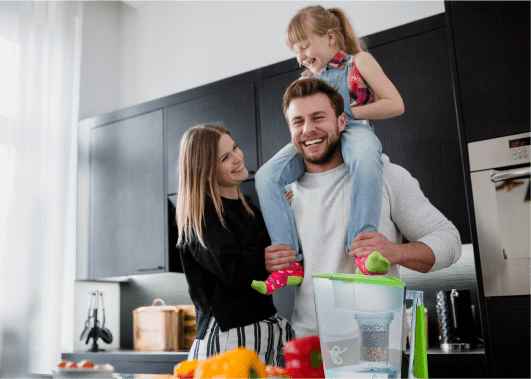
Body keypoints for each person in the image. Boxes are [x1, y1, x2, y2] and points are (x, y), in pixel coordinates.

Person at [264, 76, 461, 338]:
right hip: (308, 347)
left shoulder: (386, 176)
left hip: (375, 348)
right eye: (298, 122)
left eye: (318, 117)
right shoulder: (287, 194)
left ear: (342, 121)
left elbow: (450, 241)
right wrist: (272, 261)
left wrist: (395, 252)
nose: (308, 129)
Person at [252, 6, 405, 295]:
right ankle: (291, 264)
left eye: (304, 46)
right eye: (295, 51)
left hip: (355, 129)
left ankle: (362, 250)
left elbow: (395, 104)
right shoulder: (304, 82)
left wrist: (345, 113)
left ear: (331, 37)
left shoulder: (359, 61)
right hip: (316, 138)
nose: (300, 57)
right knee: (266, 176)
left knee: (365, 156)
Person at [175, 124, 293, 364]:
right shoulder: (200, 217)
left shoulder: (249, 209)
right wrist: (273, 227)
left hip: (261, 333)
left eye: (235, 147)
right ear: (205, 170)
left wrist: (279, 216)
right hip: (228, 339)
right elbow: (234, 271)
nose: (238, 158)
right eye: (225, 157)